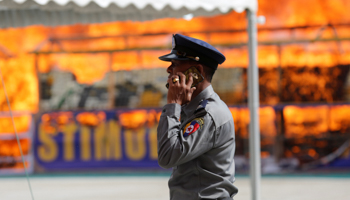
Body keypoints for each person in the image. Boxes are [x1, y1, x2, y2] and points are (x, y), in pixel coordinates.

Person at [157, 34, 238, 200]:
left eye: (176, 64)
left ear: (197, 72)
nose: (169, 69)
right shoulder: (193, 108)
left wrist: (173, 104)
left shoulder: (209, 114)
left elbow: (167, 156)